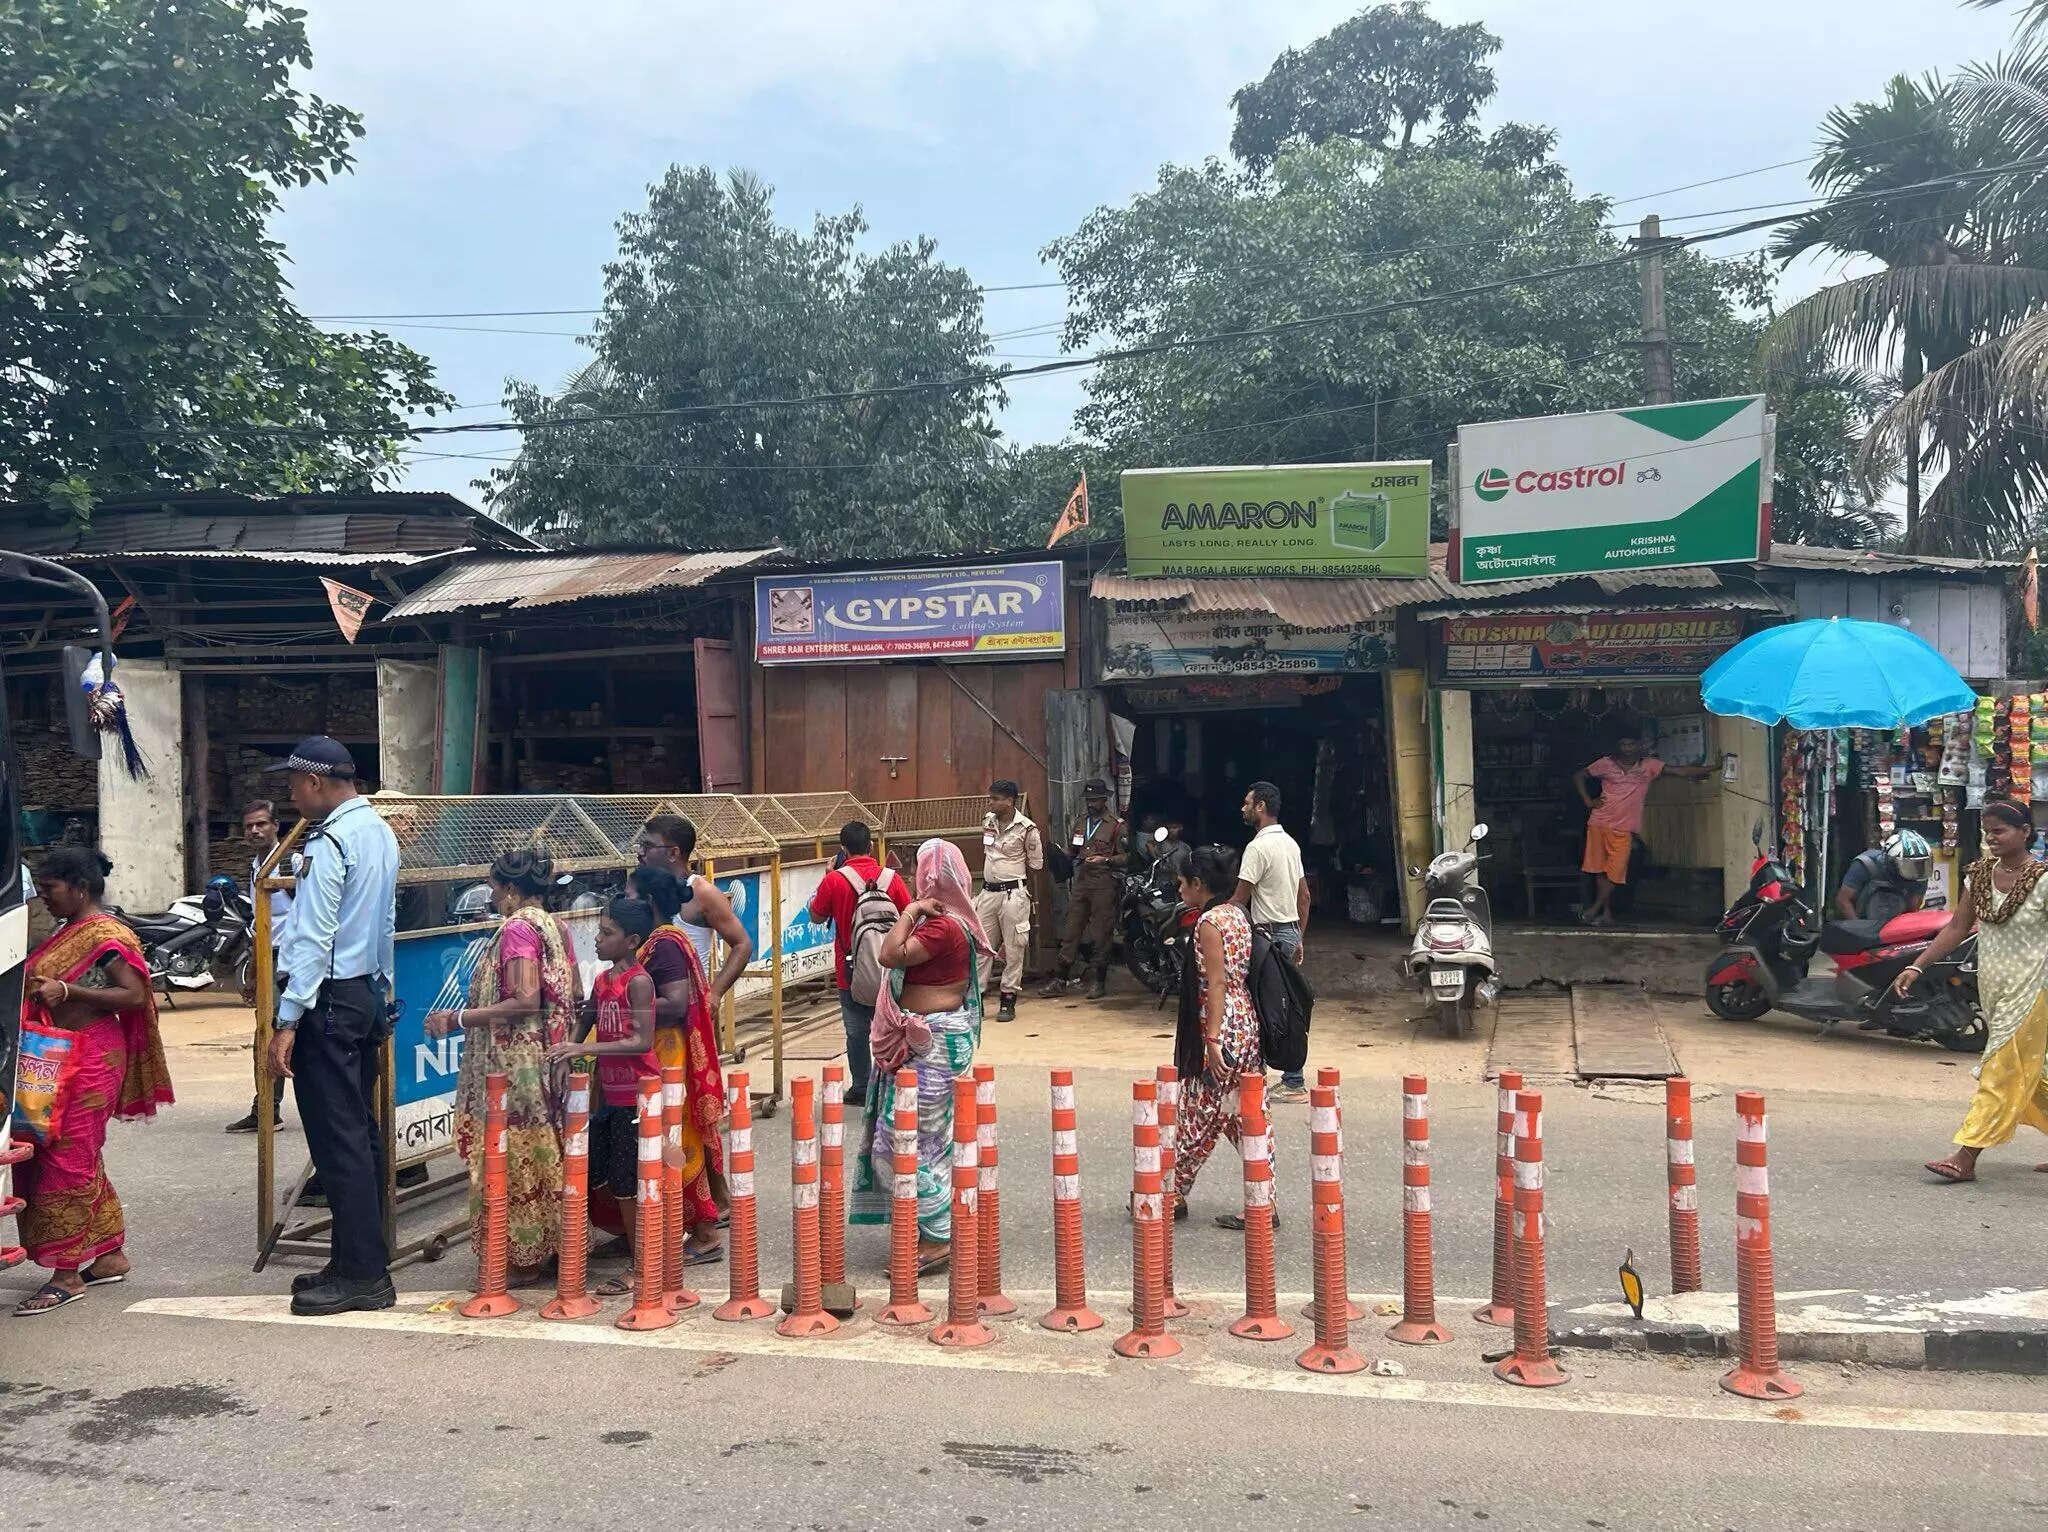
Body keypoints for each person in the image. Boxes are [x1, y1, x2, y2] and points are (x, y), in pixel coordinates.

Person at [265, 736, 400, 1316]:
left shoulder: (330, 841)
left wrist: (287, 1018)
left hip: (326, 1000)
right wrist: (383, 993)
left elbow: (315, 937)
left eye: (294, 785)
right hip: (362, 993)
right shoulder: (378, 831)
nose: (292, 795)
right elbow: (384, 923)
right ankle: (355, 1259)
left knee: (337, 1138)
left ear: (316, 783)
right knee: (359, 1134)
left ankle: (364, 1277)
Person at [12, 849, 173, 1315]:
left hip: (91, 1057)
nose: (44, 898)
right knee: (74, 1153)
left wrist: (68, 991)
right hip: (60, 1055)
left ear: (80, 886)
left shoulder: (107, 934)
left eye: (51, 889)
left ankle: (65, 1274)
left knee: (67, 1157)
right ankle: (108, 1256)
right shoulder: (69, 932)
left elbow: (134, 994)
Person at [425, 846, 580, 1288]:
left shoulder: (517, 930)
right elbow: (574, 987)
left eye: (494, 889)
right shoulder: (557, 927)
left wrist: (454, 1019)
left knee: (510, 1156)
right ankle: (552, 1247)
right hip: (547, 1060)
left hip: (515, 1067)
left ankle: (521, 1258)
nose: (492, 898)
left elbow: (525, 999)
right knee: (544, 1149)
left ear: (511, 888)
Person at [849, 838, 993, 1272]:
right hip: (932, 1042)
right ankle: (935, 1228)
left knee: (901, 1141)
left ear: (930, 878)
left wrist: (910, 911)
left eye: (919, 871)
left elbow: (889, 954)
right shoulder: (952, 923)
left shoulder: (941, 925)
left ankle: (939, 1236)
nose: (914, 878)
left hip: (932, 1046)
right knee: (927, 1141)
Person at [1905, 799, 2048, 1183]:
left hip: (2034, 990)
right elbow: (1956, 928)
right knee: (2033, 1075)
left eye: (2000, 831)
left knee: (1999, 1069)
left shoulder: (2044, 879)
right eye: (1988, 832)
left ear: (2025, 833)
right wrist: (1917, 965)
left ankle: (1965, 1156)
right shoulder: (1979, 877)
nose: (1992, 838)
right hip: (1994, 989)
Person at [546, 897, 661, 1292]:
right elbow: (587, 1018)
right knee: (602, 1174)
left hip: (637, 1097)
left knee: (629, 1183)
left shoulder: (640, 982)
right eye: (599, 931)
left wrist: (583, 1049)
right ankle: (624, 1248)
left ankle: (642, 1264)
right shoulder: (602, 980)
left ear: (630, 941)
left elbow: (641, 1041)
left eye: (606, 933)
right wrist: (567, 1052)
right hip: (609, 1096)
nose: (597, 939)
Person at [624, 862, 726, 1256]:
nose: (622, 901)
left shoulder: (664, 943)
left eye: (629, 895)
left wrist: (622, 1004)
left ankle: (704, 1233)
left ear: (648, 902)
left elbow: (676, 1002)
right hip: (659, 1051)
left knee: (676, 1138)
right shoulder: (656, 939)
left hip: (670, 1054)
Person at [1167, 845, 1269, 1224]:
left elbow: (1216, 983)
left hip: (1223, 1024)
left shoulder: (1210, 924)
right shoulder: (1239, 915)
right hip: (1246, 1022)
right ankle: (1264, 1198)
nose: (1179, 890)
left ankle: (1171, 1190)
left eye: (1182, 883)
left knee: (1195, 1111)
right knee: (1243, 1116)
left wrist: (1211, 1041)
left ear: (1198, 883)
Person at [806, 820, 909, 1100]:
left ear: (843, 849)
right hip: (890, 966)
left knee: (856, 1030)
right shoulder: (891, 878)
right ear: (871, 846)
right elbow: (909, 916)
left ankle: (862, 1087)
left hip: (849, 968)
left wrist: (828, 875)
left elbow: (816, 915)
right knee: (893, 1023)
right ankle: (892, 1081)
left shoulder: (834, 880)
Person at [1573, 727, 1714, 927]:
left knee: (1615, 872)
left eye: (1631, 744)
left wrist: (1714, 767)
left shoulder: (1649, 766)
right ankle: (1606, 913)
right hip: (1599, 823)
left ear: (1639, 746)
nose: (1627, 748)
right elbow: (1579, 776)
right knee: (1602, 872)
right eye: (1623, 744)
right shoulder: (1605, 764)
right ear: (1618, 746)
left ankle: (1594, 908)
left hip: (1623, 828)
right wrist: (1588, 801)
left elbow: (1679, 771)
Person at [227, 798, 302, 1135]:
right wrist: (255, 974)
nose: (255, 831)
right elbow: (261, 924)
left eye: (261, 824)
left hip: (295, 962)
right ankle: (266, 1108)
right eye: (249, 826)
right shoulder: (257, 866)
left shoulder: (291, 862)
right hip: (270, 959)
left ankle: (272, 1109)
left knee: (285, 1032)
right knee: (266, 1033)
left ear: (276, 827)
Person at [1233, 780, 1309, 1103]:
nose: (1244, 808)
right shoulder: (1291, 845)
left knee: (1258, 1007)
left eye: (1248, 803)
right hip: (1290, 932)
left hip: (1265, 936)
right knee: (1287, 1006)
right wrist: (1299, 936)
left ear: (1261, 807)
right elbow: (1304, 896)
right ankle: (1293, 1079)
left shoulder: (1257, 848)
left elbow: (1240, 898)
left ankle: (1258, 1078)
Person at [635, 814, 753, 1009]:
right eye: (641, 845)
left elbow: (742, 944)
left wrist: (714, 994)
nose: (640, 853)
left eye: (648, 847)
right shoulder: (640, 889)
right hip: (645, 1008)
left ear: (673, 853)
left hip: (690, 1011)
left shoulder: (703, 893)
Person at [1040, 778, 1126, 1001]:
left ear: (1104, 799)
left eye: (1095, 800)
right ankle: (1061, 979)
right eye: (1088, 800)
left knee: (1101, 933)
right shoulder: (1080, 822)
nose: (1090, 804)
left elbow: (1127, 856)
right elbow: (1073, 849)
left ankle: (1099, 980)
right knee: (1071, 930)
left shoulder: (1116, 825)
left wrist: (1105, 860)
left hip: (1104, 883)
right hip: (1081, 882)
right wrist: (1060, 857)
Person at [975, 779, 1042, 1022]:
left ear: (1009, 801)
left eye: (995, 798)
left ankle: (1007, 999)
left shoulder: (1027, 828)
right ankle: (977, 1000)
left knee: (1015, 949)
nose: (990, 802)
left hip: (1013, 895)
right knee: (982, 948)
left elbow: (1036, 864)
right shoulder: (988, 821)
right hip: (988, 894)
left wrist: (1023, 893)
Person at [1836, 830, 1932, 924]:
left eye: (1921, 864)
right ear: (1891, 862)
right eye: (1909, 866)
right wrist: (1858, 929)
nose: (1915, 870)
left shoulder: (1920, 875)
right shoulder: (1866, 864)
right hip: (1862, 923)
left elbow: (1912, 909)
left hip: (1895, 928)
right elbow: (1843, 900)